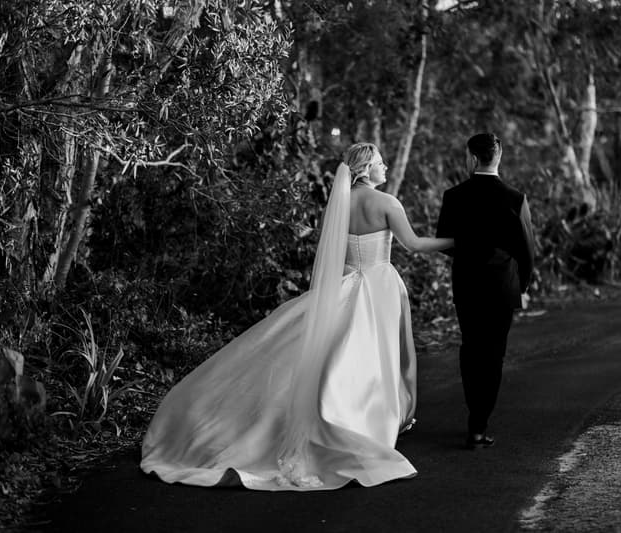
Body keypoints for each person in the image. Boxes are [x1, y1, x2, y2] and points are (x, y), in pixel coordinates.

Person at [140, 142, 453, 490]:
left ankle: (335, 417)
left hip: (343, 288)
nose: (386, 167)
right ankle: (361, 423)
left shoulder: (339, 205)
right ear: (366, 169)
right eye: (381, 162)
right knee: (371, 358)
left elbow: (333, 254)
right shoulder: (387, 203)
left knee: (332, 356)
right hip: (378, 287)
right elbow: (415, 244)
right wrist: (455, 241)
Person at [436, 133, 535, 450]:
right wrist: (523, 286)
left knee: (471, 347)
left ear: (472, 158)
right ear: (498, 157)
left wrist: (469, 252)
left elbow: (445, 243)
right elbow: (527, 251)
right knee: (495, 352)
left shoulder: (454, 196)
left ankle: (475, 410)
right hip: (502, 286)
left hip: (467, 283)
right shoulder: (515, 198)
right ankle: (479, 424)